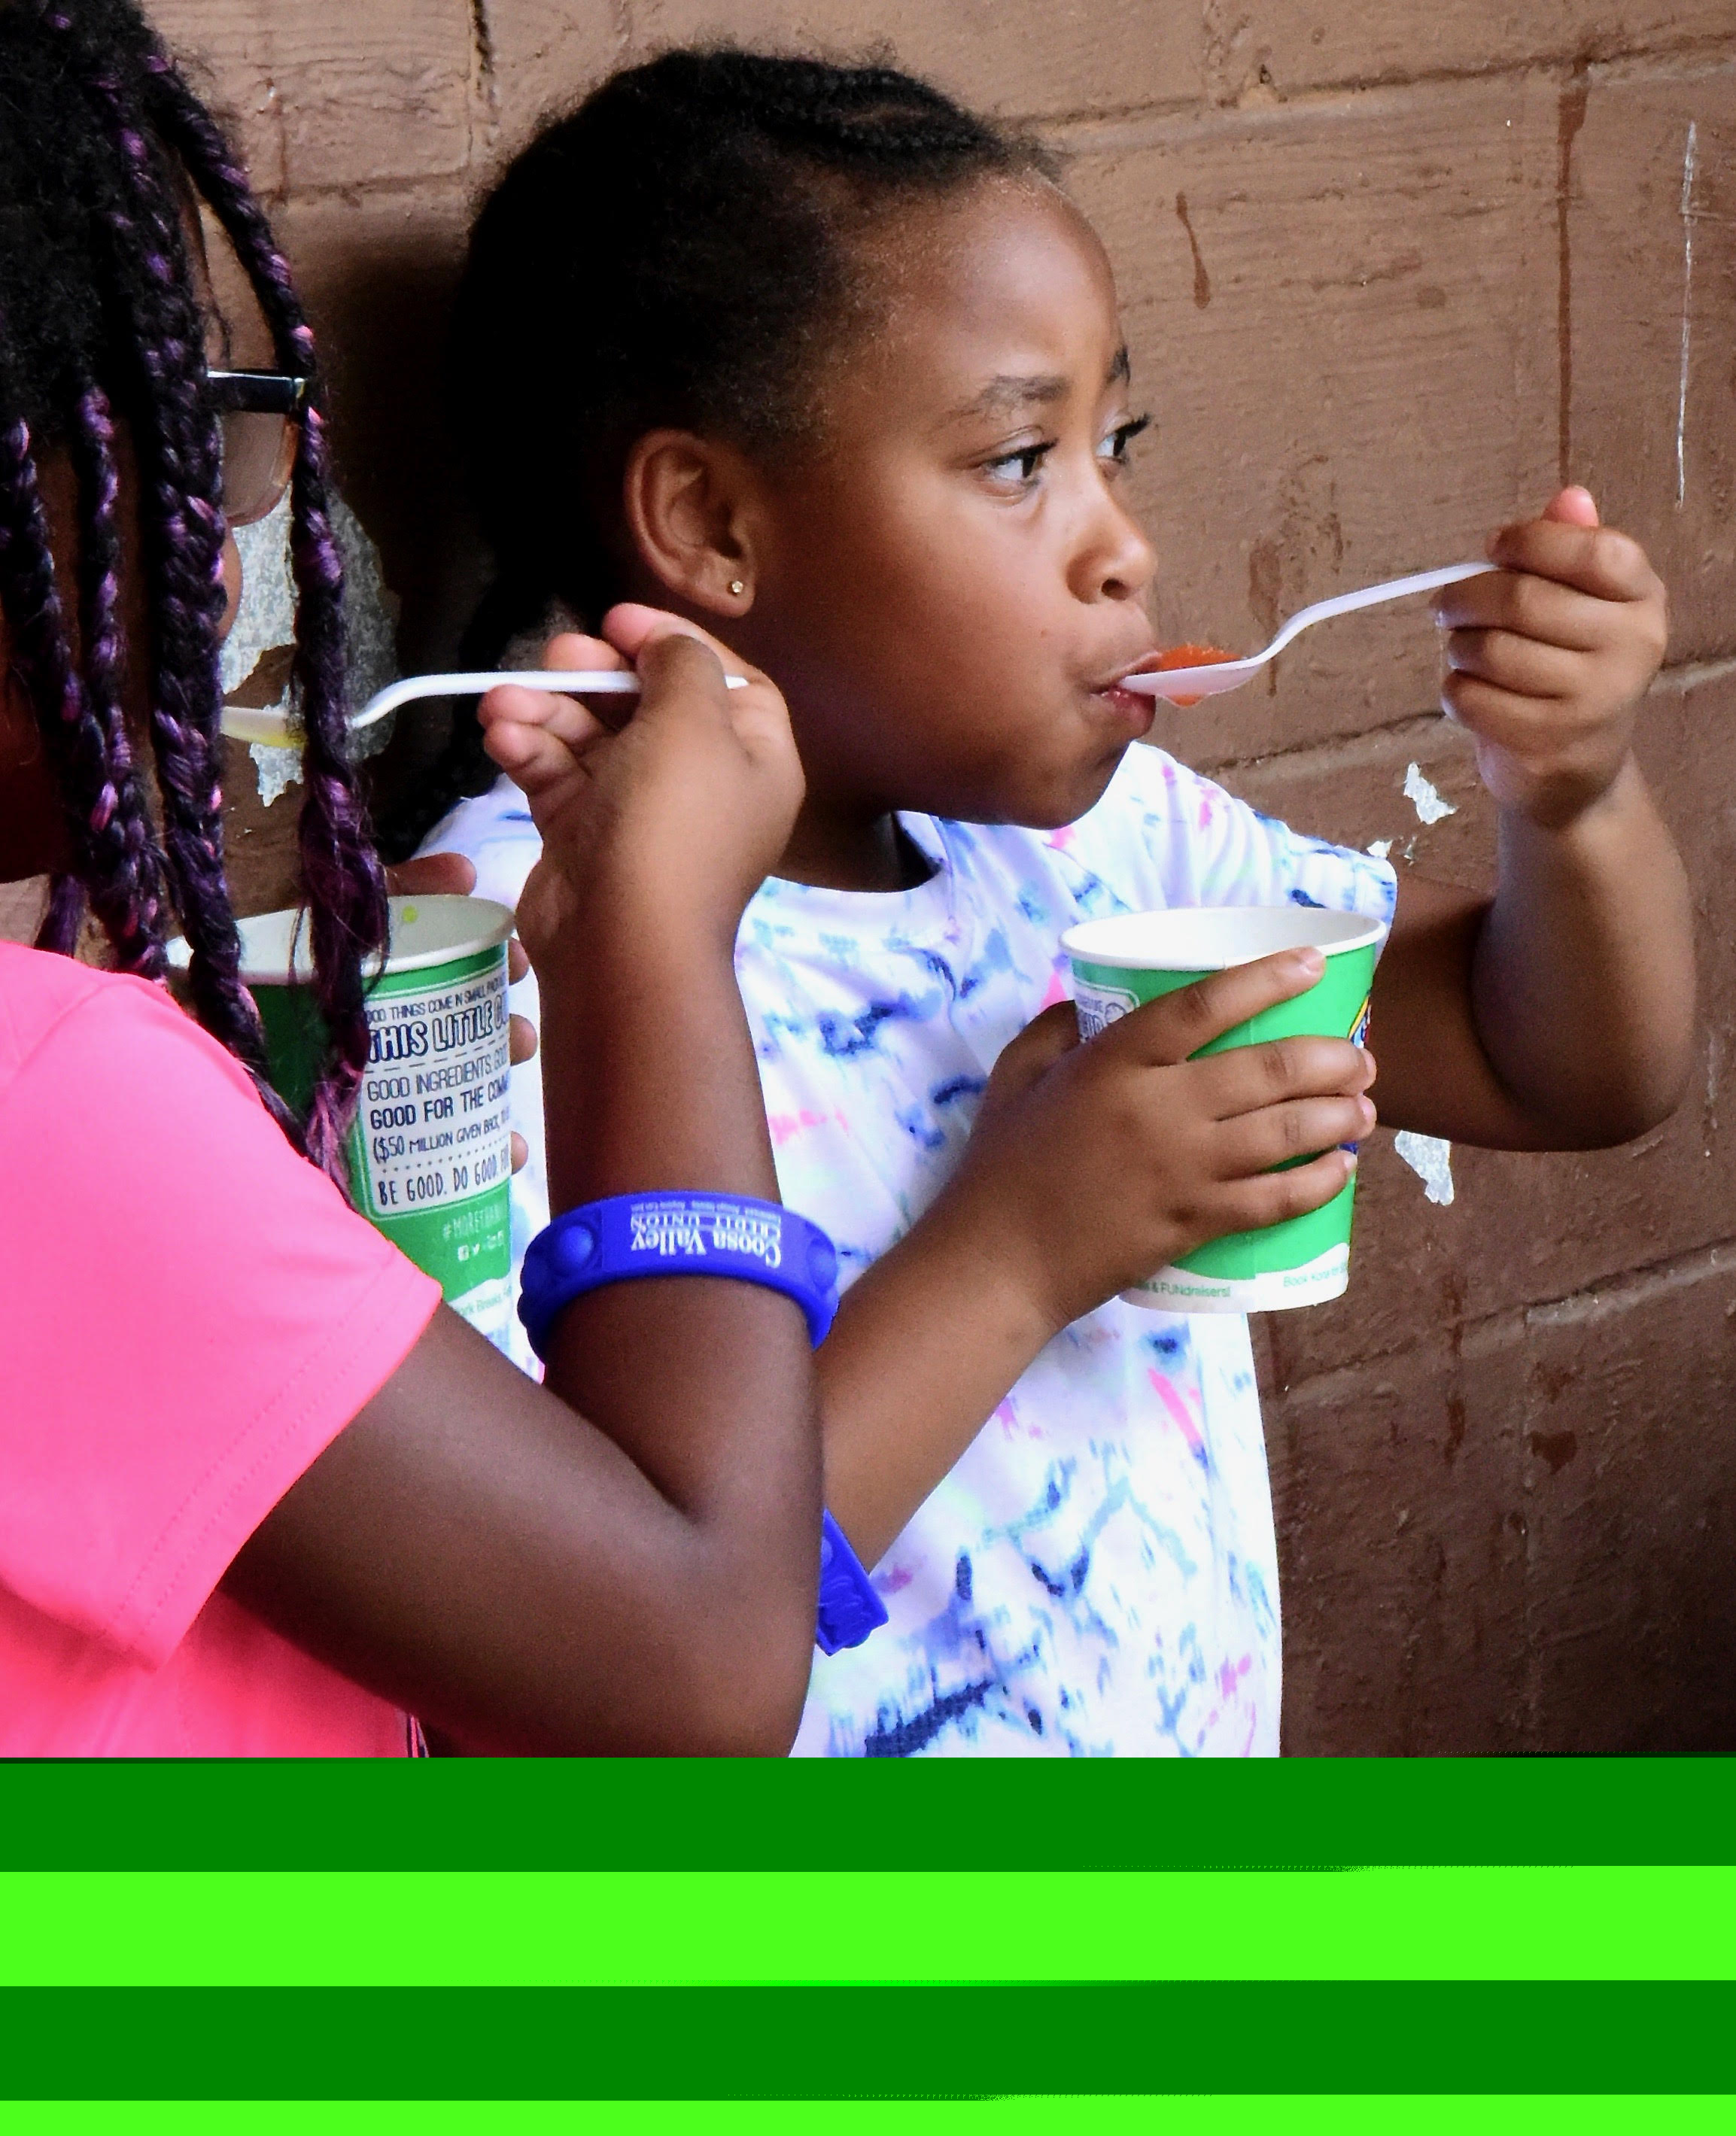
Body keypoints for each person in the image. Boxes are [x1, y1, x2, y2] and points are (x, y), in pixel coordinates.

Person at [415, 48, 1696, 1758]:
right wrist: (1018, 1251)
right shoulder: (521, 946)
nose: (1124, 549)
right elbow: (589, 1667)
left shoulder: (1110, 849)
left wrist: (1575, 800)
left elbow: (1566, 1068)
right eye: (1023, 459)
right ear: (711, 522)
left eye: (1115, 442)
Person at [0, 0, 825, 1757]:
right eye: (170, 428)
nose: (224, 576)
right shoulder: (44, 1106)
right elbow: (696, 1666)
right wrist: (649, 937)